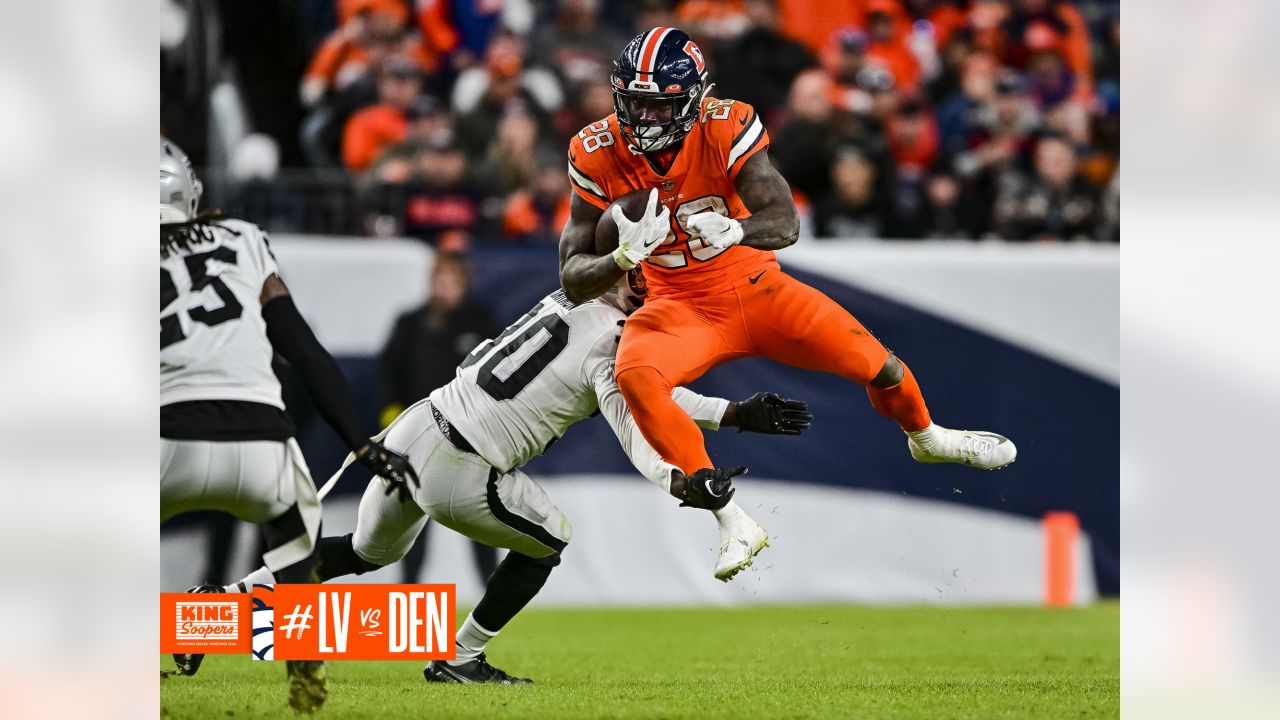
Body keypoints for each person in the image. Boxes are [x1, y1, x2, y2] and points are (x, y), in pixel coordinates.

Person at [229, 271, 813, 684]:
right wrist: (681, 480)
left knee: (364, 552)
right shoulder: (616, 344)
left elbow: (650, 393)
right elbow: (637, 421)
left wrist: (730, 414)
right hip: (464, 461)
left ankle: (226, 605)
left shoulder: (566, 299)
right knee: (550, 540)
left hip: (416, 428)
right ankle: (461, 659)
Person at [558, 28, 1017, 487]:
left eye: (659, 105)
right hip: (675, 305)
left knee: (881, 367)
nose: (643, 118)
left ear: (694, 100)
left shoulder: (724, 125)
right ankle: (715, 501)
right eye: (634, 102)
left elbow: (785, 222)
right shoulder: (596, 151)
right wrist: (620, 258)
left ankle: (927, 437)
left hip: (755, 288)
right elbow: (572, 279)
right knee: (635, 375)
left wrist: (738, 230)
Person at [159, 139, 415, 711]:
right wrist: (359, 442)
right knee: (298, 557)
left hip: (165, 436)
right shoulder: (244, 239)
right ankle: (303, 677)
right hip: (261, 440)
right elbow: (303, 349)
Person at [377, 253, 499, 585]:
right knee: (412, 526)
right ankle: (409, 598)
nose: (441, 287)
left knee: (483, 525)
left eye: (449, 280)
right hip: (418, 440)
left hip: (471, 441)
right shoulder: (410, 323)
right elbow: (388, 374)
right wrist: (392, 416)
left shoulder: (480, 323)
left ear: (463, 285)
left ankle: (493, 601)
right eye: (437, 279)